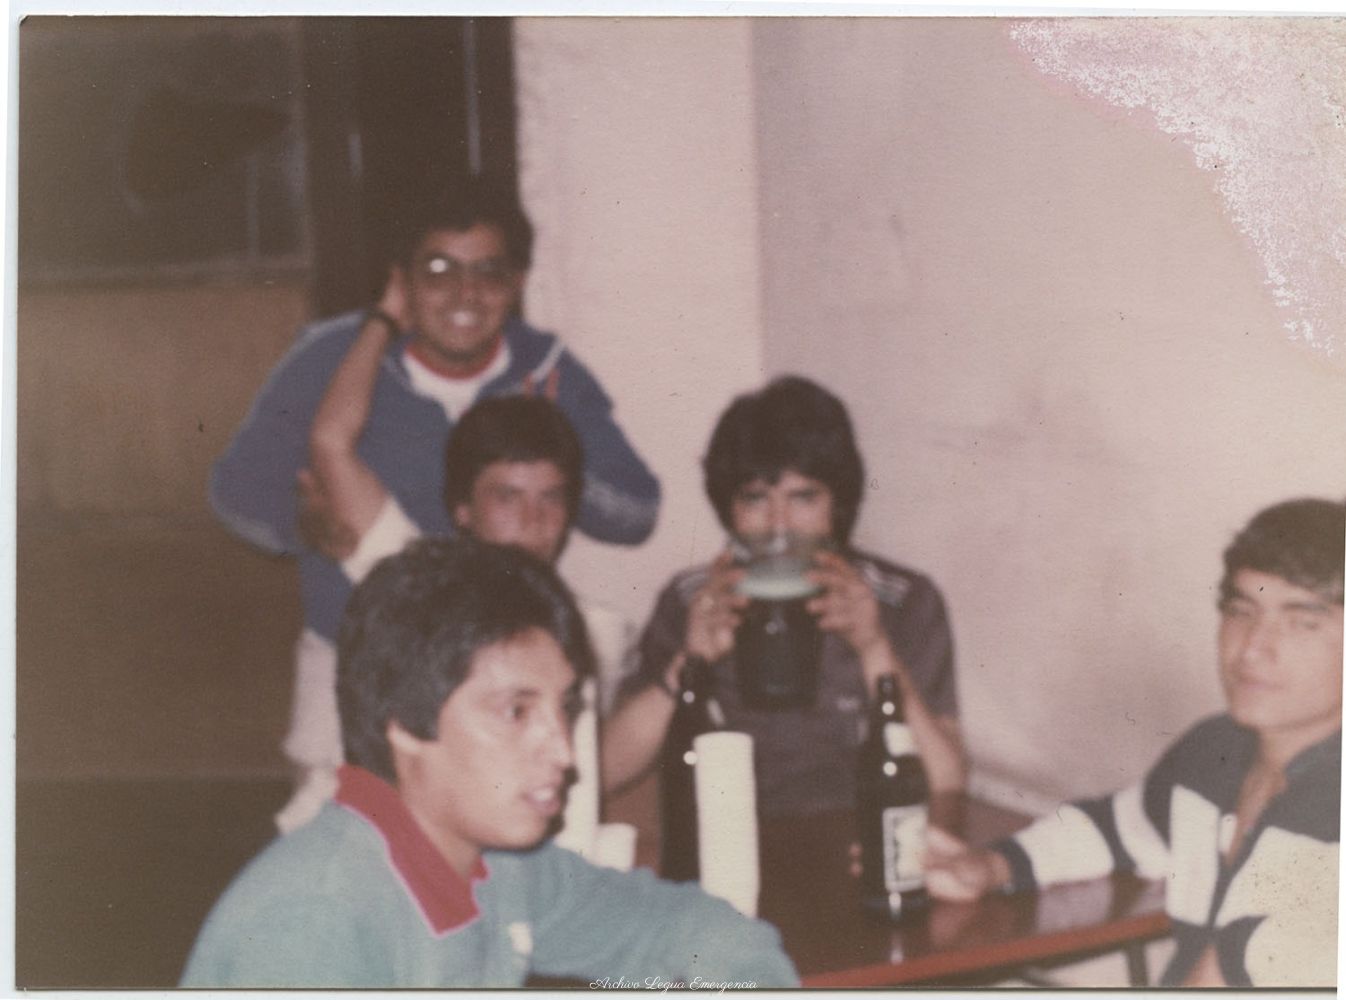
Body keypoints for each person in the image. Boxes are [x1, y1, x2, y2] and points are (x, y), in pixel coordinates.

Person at [209, 177, 659, 831]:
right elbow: (234, 493)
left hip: (500, 666)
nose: (465, 295)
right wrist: (302, 524)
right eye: (440, 271)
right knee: (343, 843)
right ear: (403, 280)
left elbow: (636, 514)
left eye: (489, 273)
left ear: (517, 282)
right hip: (351, 654)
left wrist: (546, 439)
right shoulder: (333, 357)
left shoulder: (549, 370)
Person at [180, 538, 798, 988]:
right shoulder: (311, 926)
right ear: (406, 724)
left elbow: (679, 931)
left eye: (564, 708)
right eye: (515, 711)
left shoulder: (499, 866)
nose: (563, 751)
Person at [923, 497, 1343, 989]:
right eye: (1241, 611)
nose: (1252, 648)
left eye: (1301, 623)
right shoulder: (1216, 751)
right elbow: (1114, 829)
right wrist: (990, 867)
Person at [603, 376, 965, 817]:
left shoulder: (902, 600)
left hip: (862, 838)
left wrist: (873, 648)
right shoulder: (694, 601)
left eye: (803, 497)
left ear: (837, 504)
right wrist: (689, 661)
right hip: (726, 839)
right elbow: (606, 770)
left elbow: (947, 779)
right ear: (730, 509)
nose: (779, 525)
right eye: (756, 499)